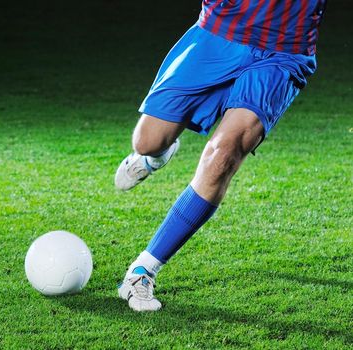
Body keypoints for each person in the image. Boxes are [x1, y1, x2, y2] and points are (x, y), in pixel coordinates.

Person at [115, 0, 327, 311]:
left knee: (224, 155)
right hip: (220, 31)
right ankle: (154, 156)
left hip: (284, 50)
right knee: (147, 141)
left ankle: (142, 271)